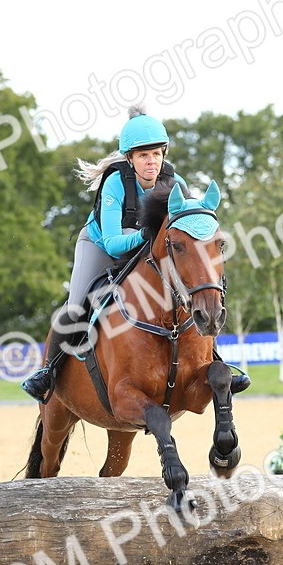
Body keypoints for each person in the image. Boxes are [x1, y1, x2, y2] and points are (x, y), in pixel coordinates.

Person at [21, 107, 249, 402]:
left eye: (156, 154)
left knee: (189, 293)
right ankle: (48, 374)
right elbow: (114, 243)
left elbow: (186, 229)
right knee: (77, 305)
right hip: (101, 244)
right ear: (129, 158)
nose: (151, 162)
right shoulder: (115, 183)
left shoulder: (174, 183)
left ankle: (215, 360)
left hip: (148, 249)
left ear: (164, 154)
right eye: (143, 156)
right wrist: (147, 235)